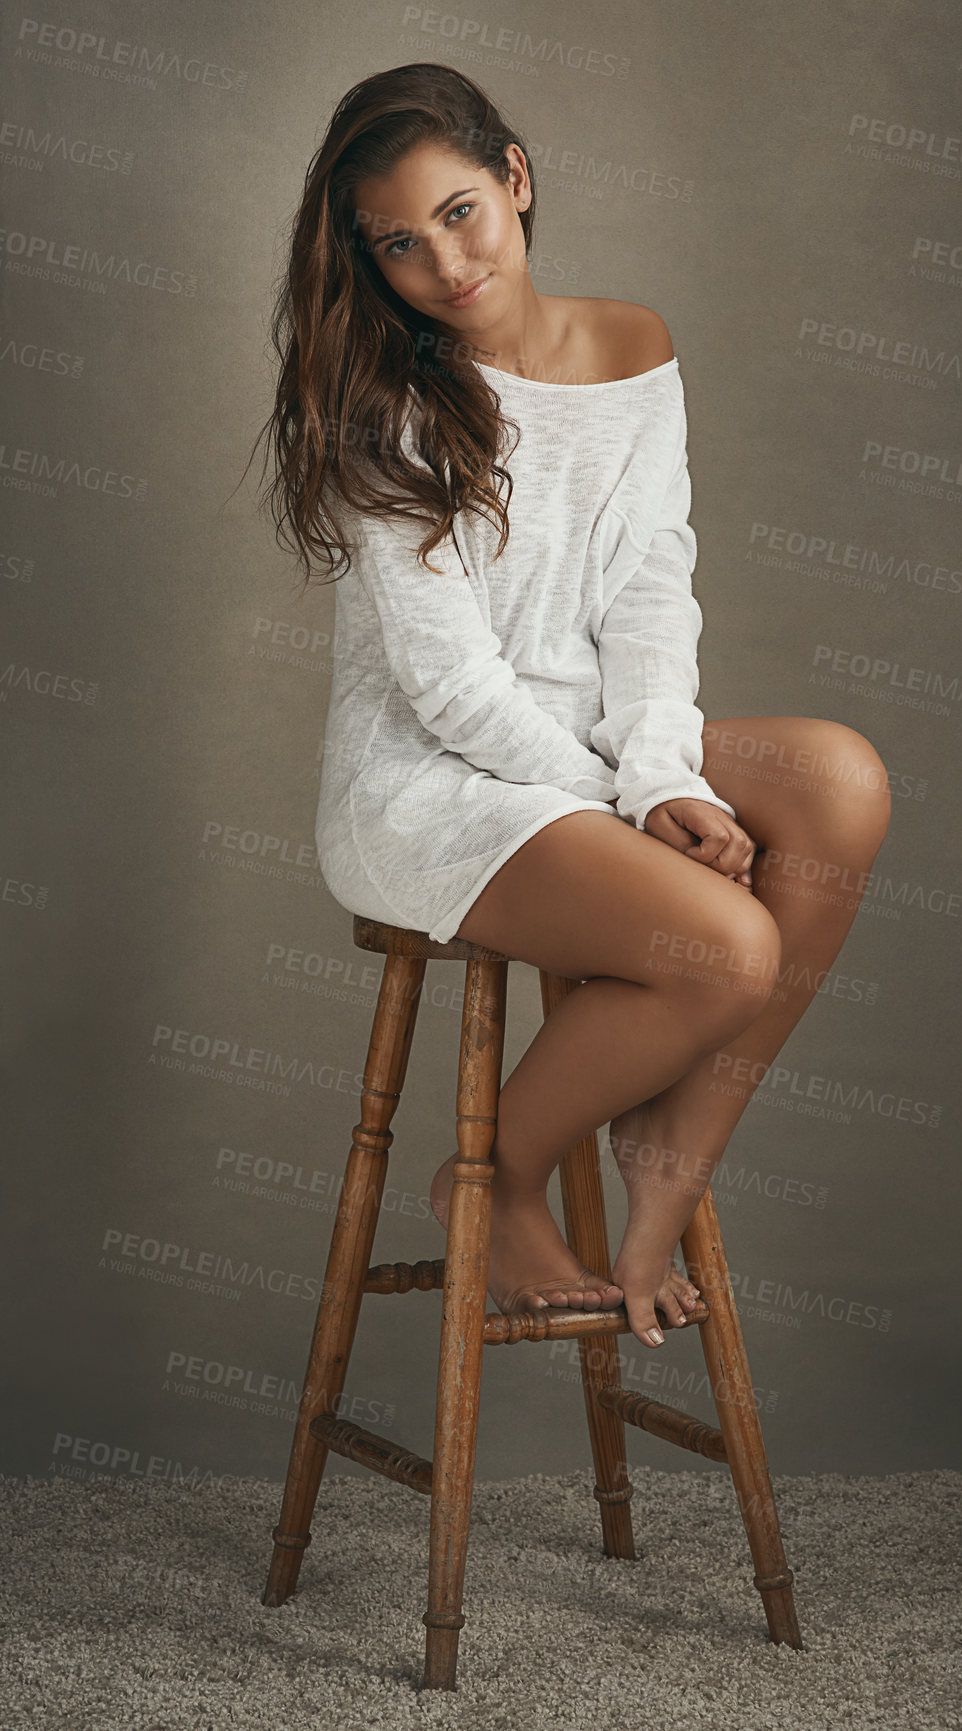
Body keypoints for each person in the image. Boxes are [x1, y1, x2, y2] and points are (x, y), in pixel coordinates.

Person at [253, 63, 891, 1350]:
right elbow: (449, 688)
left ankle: (672, 1158)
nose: (444, 261)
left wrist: (660, 779)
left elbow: (652, 599)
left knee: (839, 782)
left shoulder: (635, 350)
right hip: (431, 783)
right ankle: (494, 1176)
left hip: (590, 756)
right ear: (370, 261)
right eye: (398, 242)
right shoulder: (387, 411)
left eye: (461, 211)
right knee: (733, 945)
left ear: (518, 180)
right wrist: (629, 804)